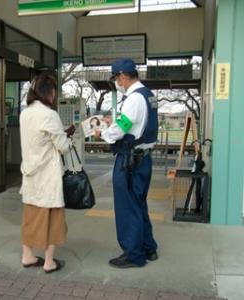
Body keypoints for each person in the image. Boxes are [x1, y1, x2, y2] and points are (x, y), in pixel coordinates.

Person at [94, 58, 158, 268]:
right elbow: (134, 123)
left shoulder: (133, 99)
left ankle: (133, 254)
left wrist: (102, 133)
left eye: (116, 79)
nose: (116, 83)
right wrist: (116, 123)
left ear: (122, 76)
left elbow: (121, 130)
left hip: (130, 162)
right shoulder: (149, 95)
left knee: (127, 208)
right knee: (138, 205)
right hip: (144, 159)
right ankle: (148, 248)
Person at [19, 72, 75, 273]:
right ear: (48, 93)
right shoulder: (50, 115)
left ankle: (27, 256)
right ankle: (49, 262)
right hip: (47, 178)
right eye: (53, 91)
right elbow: (63, 147)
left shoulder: (25, 113)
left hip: (30, 173)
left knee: (30, 218)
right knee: (53, 219)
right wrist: (68, 136)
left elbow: (39, 138)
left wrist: (61, 134)